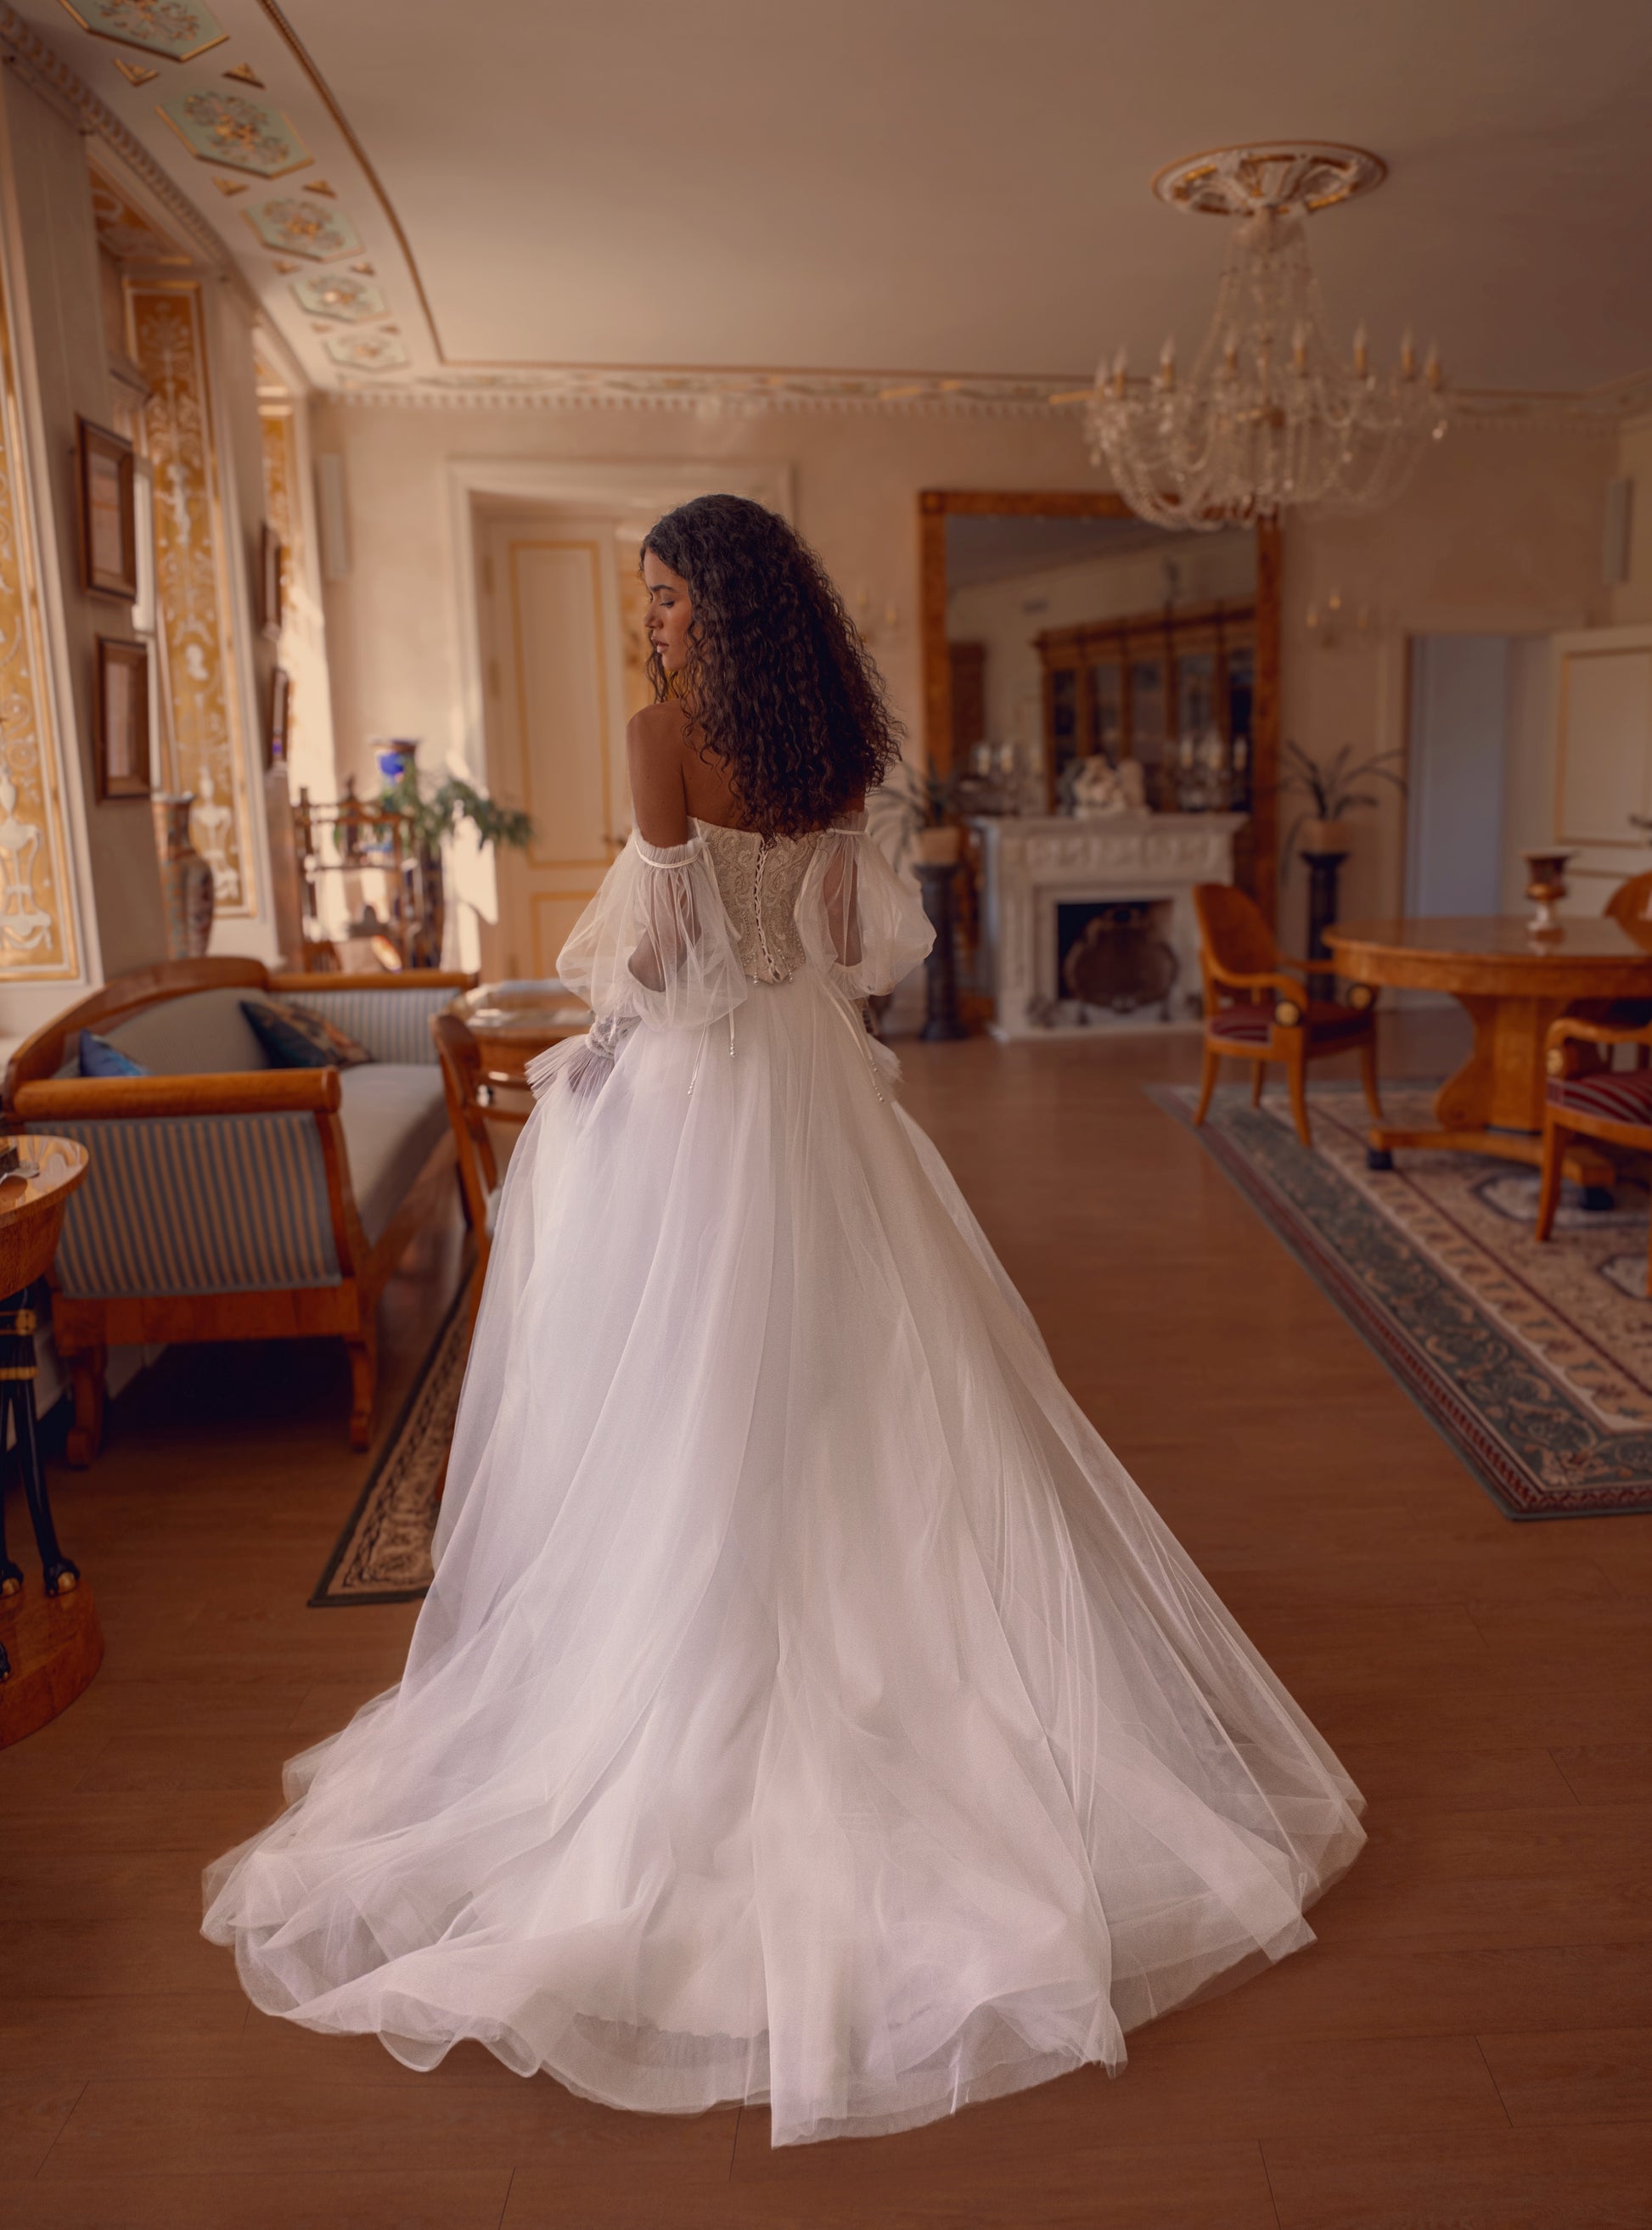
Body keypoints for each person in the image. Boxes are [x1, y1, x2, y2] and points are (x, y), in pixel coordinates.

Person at [203, 493, 1363, 2149]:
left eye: (667, 596)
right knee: (853, 1387)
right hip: (817, 1092)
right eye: (649, 600)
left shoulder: (660, 736)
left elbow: (665, 948)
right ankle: (870, 1642)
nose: (654, 620)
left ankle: (715, 1640)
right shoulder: (830, 738)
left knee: (689, 1396)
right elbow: (844, 952)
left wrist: (598, 1047)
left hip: (701, 1100)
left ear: (714, 606)